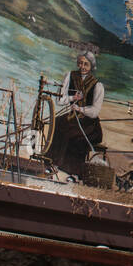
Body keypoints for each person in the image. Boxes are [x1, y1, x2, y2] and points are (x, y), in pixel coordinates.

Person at [42, 51, 105, 181]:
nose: (82, 66)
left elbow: (95, 111)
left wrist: (80, 108)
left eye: (86, 64)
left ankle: (74, 173)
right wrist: (72, 97)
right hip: (73, 117)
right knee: (58, 123)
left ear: (91, 66)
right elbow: (60, 100)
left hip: (89, 123)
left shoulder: (97, 85)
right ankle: (52, 164)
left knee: (74, 135)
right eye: (80, 63)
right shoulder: (70, 76)